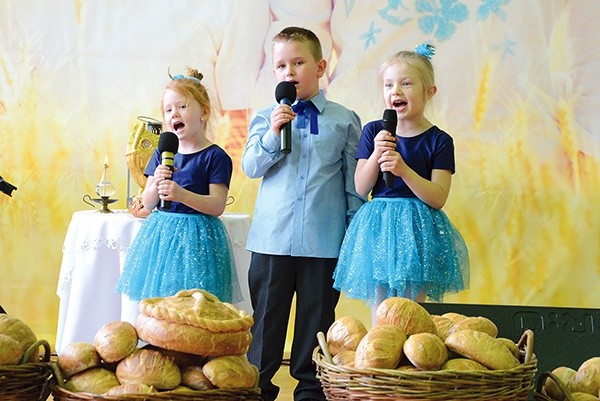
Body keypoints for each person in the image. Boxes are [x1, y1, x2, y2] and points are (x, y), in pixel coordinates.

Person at [241, 27, 365, 401]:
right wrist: (274, 134)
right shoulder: (265, 117)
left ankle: (310, 391)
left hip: (322, 242)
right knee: (265, 323)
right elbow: (250, 167)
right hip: (271, 240)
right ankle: (258, 388)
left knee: (316, 324)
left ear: (321, 66)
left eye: (298, 62)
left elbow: (353, 185)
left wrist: (352, 237)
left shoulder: (344, 120)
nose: (289, 71)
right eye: (281, 65)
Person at [332, 44, 470, 321]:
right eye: (388, 84)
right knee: (381, 310)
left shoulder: (439, 141)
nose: (395, 91)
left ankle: (409, 357)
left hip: (418, 230)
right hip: (379, 227)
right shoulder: (374, 131)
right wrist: (375, 154)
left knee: (411, 312)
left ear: (429, 92)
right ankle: (380, 354)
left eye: (406, 84)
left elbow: (438, 196)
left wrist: (404, 170)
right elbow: (361, 186)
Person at [115, 68, 242, 305]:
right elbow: (148, 203)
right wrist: (155, 186)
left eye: (182, 106)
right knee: (160, 304)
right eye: (168, 109)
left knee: (193, 305)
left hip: (199, 240)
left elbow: (217, 205)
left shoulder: (215, 156)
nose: (175, 114)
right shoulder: (162, 153)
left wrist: (181, 194)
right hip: (162, 236)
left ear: (204, 112)